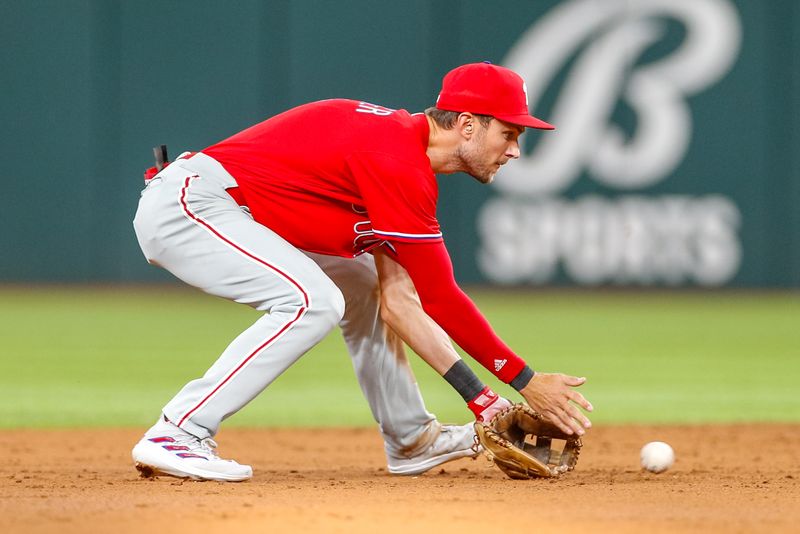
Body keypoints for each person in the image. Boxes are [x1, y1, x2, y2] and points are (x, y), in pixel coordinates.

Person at [131, 62, 593, 482]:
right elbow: (443, 298)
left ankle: (412, 440)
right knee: (313, 301)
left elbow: (402, 304)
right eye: (509, 134)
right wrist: (525, 380)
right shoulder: (395, 158)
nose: (514, 151)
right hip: (191, 204)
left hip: (226, 211)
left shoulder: (403, 161)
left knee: (364, 283)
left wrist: (484, 401)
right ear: (468, 125)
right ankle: (180, 431)